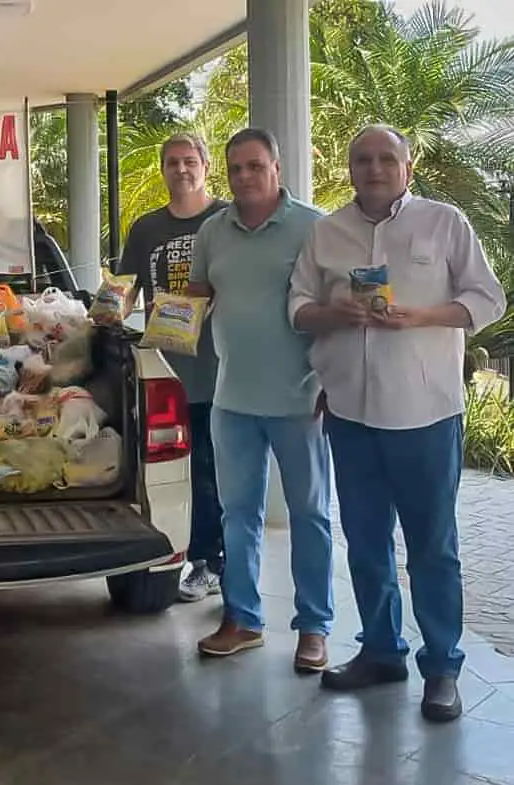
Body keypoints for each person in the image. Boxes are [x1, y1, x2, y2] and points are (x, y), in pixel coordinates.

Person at [290, 125, 507, 722]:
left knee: (433, 547)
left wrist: (423, 317)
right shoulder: (326, 233)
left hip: (426, 413)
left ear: (407, 169)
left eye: (387, 158)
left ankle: (442, 667)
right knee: (364, 542)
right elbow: (298, 308)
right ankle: (381, 651)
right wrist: (333, 311)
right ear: (350, 169)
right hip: (350, 413)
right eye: (363, 158)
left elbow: (488, 298)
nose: (375, 167)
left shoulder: (445, 223)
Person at [187, 128, 334, 673]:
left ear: (277, 167)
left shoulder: (314, 227)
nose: (244, 177)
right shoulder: (212, 231)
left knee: (310, 516)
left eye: (255, 166)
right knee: (237, 515)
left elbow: (335, 305)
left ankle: (314, 627)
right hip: (232, 399)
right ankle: (242, 618)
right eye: (235, 169)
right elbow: (197, 296)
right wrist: (140, 314)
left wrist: (332, 381)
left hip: (300, 399)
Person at [119, 132, 228, 603]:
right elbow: (125, 287)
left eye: (189, 161)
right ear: (162, 170)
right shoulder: (146, 229)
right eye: (172, 162)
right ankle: (205, 561)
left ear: (205, 166)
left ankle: (218, 562)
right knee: (190, 472)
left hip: (223, 366)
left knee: (220, 470)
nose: (181, 169)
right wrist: (103, 312)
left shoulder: (225, 219)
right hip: (168, 372)